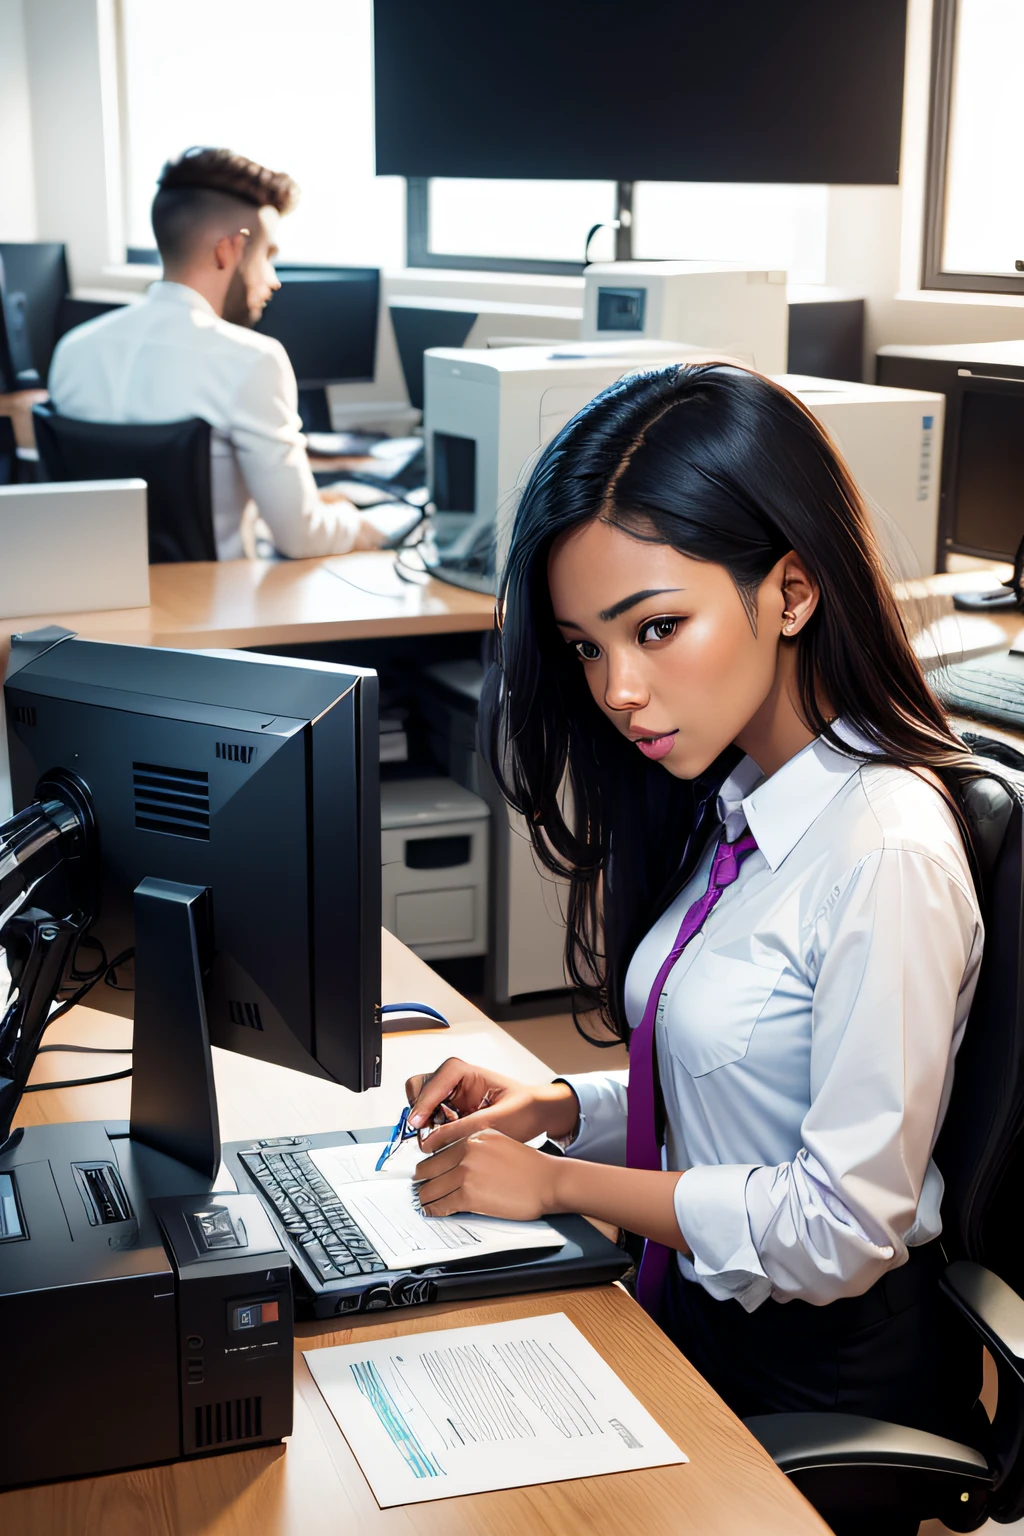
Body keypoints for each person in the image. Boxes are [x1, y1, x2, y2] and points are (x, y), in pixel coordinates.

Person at [404, 364, 986, 1527]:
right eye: (584, 647)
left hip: (805, 1378)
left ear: (793, 589)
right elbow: (744, 1082)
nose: (620, 690)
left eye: (658, 628)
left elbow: (840, 1224)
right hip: (689, 1315)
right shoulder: (742, 796)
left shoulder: (882, 853)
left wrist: (563, 1186)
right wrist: (556, 1107)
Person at [49, 146, 383, 560]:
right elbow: (302, 538)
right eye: (267, 256)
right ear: (228, 250)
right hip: (221, 614)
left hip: (102, 609)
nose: (274, 280)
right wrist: (360, 523)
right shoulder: (252, 360)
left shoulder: (73, 349)